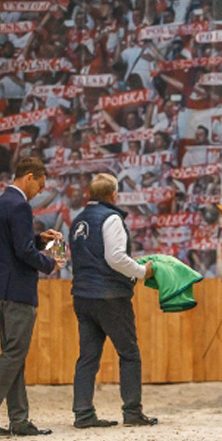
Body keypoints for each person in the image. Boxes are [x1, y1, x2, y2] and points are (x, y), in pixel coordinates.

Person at [0, 157, 63, 437]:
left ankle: (19, 420)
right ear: (29, 177)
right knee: (14, 354)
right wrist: (50, 264)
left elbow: (14, 245)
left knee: (14, 354)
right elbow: (23, 252)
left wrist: (40, 239)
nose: (41, 191)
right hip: (18, 290)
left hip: (0, 289)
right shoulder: (21, 206)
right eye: (40, 185)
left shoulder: (0, 203)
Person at [69, 173, 157, 428]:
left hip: (82, 295)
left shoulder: (78, 220)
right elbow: (115, 257)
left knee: (87, 357)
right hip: (110, 295)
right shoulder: (111, 218)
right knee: (129, 354)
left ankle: (83, 414)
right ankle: (132, 412)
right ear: (112, 195)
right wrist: (142, 271)